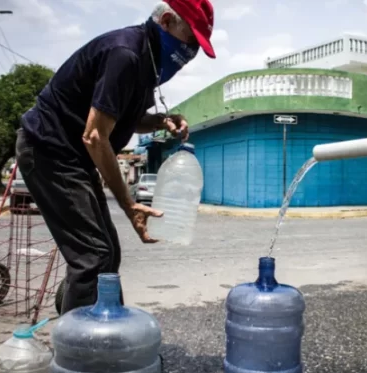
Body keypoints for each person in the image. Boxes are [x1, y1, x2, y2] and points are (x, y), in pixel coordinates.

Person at [15, 0, 216, 314]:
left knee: (107, 252)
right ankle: (82, 354)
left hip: (73, 158)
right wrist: (128, 204)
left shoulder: (147, 65)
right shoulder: (126, 54)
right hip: (49, 149)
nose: (191, 53)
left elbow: (127, 116)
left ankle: (96, 323)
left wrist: (162, 120)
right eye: (191, 40)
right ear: (166, 21)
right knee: (94, 255)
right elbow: (95, 136)